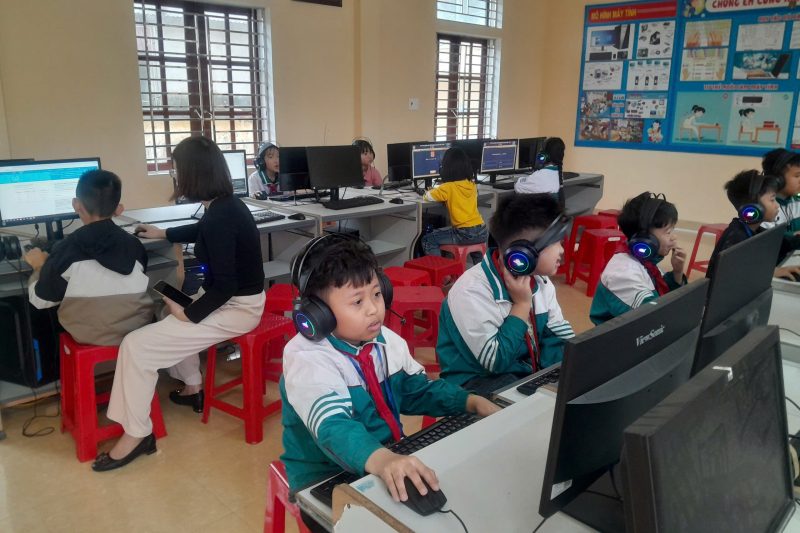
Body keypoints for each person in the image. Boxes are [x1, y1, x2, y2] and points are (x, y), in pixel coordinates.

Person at [279, 235, 500, 521]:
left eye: (376, 294)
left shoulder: (385, 341)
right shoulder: (306, 357)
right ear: (317, 313)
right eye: (357, 301)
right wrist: (383, 460)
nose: (373, 308)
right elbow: (335, 428)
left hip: (387, 456)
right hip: (325, 478)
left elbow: (416, 390)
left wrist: (469, 401)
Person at [93, 136, 266, 472]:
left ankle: (138, 434)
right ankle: (192, 387)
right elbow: (205, 230)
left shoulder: (220, 215)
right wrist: (165, 234)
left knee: (136, 345)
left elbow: (226, 285)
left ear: (192, 173)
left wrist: (189, 314)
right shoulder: (225, 205)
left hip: (237, 308)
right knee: (166, 311)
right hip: (234, 300)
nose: (175, 175)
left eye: (176, 169)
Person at [436, 194, 575, 392]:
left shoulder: (541, 282)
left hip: (523, 373)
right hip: (477, 383)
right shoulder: (471, 291)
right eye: (557, 243)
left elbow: (558, 336)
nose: (562, 250)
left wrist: (566, 368)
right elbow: (495, 361)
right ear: (525, 252)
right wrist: (522, 305)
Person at [24, 169, 154, 345]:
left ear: (76, 204)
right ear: (119, 209)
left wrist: (39, 267)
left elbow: (41, 301)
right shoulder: (135, 245)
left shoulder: (66, 249)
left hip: (90, 336)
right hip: (137, 331)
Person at [590, 192, 687, 325]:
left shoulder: (647, 262)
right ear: (645, 238)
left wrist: (677, 272)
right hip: (620, 335)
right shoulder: (623, 273)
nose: (674, 237)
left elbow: (662, 295)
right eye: (668, 232)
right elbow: (654, 318)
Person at [706, 169, 800, 279]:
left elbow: (784, 243)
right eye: (772, 200)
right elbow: (730, 274)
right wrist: (770, 272)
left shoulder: (756, 231)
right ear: (753, 208)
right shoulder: (736, 236)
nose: (777, 205)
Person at [421, 146, 488, 258]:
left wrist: (429, 191)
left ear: (446, 168)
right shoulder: (471, 184)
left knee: (428, 239)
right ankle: (480, 268)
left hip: (464, 234)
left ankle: (440, 269)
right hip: (482, 231)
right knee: (476, 251)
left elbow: (428, 197)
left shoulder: (448, 187)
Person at [761, 148, 800, 251]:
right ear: (778, 179)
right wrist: (794, 236)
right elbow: (767, 240)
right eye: (797, 175)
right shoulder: (764, 208)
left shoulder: (797, 200)